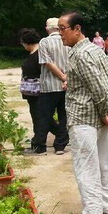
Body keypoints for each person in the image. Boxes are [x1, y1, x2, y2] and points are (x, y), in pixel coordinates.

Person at [58, 12, 108, 214]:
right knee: (102, 163)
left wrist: (105, 111)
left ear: (77, 29)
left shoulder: (80, 54)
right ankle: (107, 208)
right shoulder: (95, 49)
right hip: (99, 118)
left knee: (86, 167)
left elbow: (100, 86)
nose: (60, 34)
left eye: (62, 29)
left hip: (84, 117)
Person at [33, 18, 69, 155]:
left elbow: (47, 62)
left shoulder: (44, 42)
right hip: (66, 86)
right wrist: (66, 78)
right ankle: (60, 145)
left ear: (47, 29)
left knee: (44, 116)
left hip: (49, 85)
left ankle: (40, 146)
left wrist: (61, 76)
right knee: (64, 116)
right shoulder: (67, 41)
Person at [19, 28, 57, 151]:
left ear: (26, 42)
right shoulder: (34, 54)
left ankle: (39, 144)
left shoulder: (39, 55)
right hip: (31, 93)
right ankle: (60, 134)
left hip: (38, 91)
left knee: (40, 117)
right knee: (40, 116)